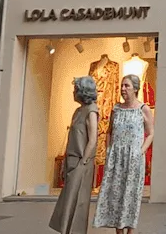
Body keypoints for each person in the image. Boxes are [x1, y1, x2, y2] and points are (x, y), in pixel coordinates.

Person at [92, 74, 154, 234]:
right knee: (116, 195)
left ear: (135, 88)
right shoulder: (116, 109)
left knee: (131, 194)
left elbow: (151, 133)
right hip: (116, 156)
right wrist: (108, 150)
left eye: (126, 86)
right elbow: (109, 132)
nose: (123, 89)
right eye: (122, 86)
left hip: (133, 157)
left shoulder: (143, 109)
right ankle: (118, 231)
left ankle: (130, 231)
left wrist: (141, 151)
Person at [49, 77, 99, 234]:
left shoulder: (91, 110)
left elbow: (93, 139)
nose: (73, 92)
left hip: (80, 162)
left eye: (75, 89)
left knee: (77, 200)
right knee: (67, 201)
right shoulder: (78, 111)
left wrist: (83, 161)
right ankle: (66, 230)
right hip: (72, 160)